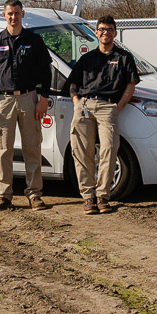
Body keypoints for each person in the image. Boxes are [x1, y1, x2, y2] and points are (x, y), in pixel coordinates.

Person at [0, 0, 53, 210]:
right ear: (4, 15)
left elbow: (46, 72)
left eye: (17, 13)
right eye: (10, 13)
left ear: (23, 14)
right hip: (2, 101)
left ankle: (34, 193)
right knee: (3, 150)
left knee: (32, 148)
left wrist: (44, 99)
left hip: (29, 99)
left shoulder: (34, 40)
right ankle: (3, 195)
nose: (13, 17)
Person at [63, 14, 139, 214]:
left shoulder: (123, 57)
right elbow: (72, 83)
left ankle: (103, 196)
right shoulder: (87, 58)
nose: (106, 33)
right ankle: (88, 198)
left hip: (109, 108)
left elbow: (131, 84)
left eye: (110, 30)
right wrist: (76, 102)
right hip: (85, 106)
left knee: (109, 150)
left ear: (115, 33)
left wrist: (119, 106)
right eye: (102, 30)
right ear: (96, 33)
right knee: (82, 152)